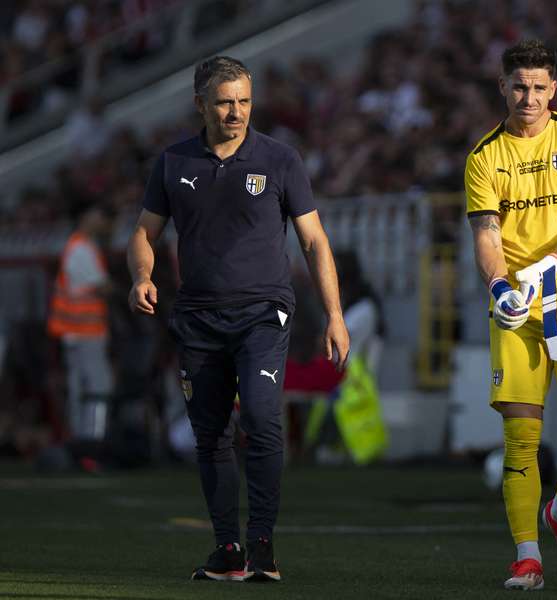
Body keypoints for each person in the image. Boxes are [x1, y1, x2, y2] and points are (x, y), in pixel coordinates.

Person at [127, 56, 349, 582]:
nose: (236, 112)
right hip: (198, 317)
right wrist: (142, 275)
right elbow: (143, 232)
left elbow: (314, 240)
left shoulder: (279, 158)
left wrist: (334, 315)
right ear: (200, 103)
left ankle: (263, 548)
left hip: (263, 314)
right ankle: (227, 549)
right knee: (211, 435)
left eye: (245, 101)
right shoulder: (173, 161)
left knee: (262, 419)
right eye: (225, 101)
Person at [464, 39, 557, 591]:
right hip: (518, 308)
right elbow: (486, 234)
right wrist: (501, 284)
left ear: (554, 89)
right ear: (502, 86)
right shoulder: (484, 156)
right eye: (519, 86)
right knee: (520, 437)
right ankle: (527, 556)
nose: (529, 97)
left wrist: (542, 269)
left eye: (538, 87)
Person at [47, 204, 116, 460]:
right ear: (87, 215)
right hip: (86, 332)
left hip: (76, 333)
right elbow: (102, 287)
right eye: (102, 216)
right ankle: (93, 444)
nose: (105, 222)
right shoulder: (81, 248)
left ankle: (81, 444)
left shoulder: (79, 246)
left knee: (80, 389)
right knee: (98, 387)